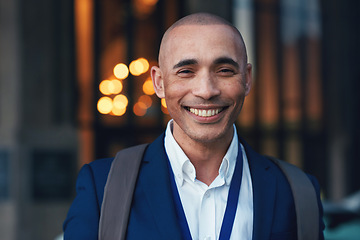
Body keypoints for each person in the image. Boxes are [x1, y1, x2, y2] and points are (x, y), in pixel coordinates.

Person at [63, 12, 324, 239]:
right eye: (186, 71)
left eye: (224, 70)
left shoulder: (297, 191)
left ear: (246, 79)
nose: (206, 91)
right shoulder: (102, 187)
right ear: (159, 83)